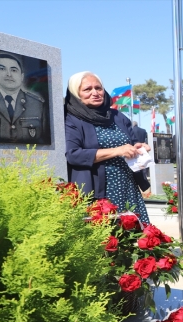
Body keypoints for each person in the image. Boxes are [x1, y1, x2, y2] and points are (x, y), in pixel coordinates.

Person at [64, 71, 151, 224]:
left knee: (133, 238)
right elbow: (73, 154)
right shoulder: (71, 119)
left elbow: (130, 143)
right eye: (87, 89)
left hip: (126, 186)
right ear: (76, 93)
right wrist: (117, 151)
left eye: (98, 88)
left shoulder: (117, 116)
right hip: (98, 191)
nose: (95, 93)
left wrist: (137, 147)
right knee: (106, 240)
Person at [0, 53, 50, 144]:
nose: (9, 74)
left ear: (22, 76)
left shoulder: (37, 104)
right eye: (2, 69)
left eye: (14, 70)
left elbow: (44, 139)